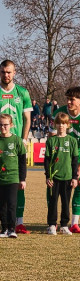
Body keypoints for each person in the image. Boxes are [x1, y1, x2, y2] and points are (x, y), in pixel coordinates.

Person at [0, 60, 32, 234]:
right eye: (3, 72)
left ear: (14, 73)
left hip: (17, 145)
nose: (6, 75)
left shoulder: (22, 92)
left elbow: (27, 119)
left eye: (9, 72)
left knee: (19, 184)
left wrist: (24, 139)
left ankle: (19, 223)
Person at [0, 113, 27, 238]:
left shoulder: (17, 140)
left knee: (11, 204)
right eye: (0, 125)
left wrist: (22, 179)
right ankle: (4, 229)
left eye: (6, 125)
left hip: (13, 178)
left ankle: (12, 229)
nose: (3, 127)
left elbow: (22, 162)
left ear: (11, 125)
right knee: (1, 205)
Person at [43, 111, 78, 235]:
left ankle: (64, 225)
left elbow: (75, 161)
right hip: (54, 178)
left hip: (67, 177)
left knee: (66, 202)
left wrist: (74, 177)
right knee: (53, 202)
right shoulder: (51, 141)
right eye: (58, 123)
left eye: (63, 123)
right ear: (55, 125)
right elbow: (47, 160)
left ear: (68, 125)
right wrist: (48, 176)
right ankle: (52, 225)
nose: (61, 126)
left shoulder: (72, 141)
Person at [60, 86, 80, 232]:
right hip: (62, 159)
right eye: (67, 99)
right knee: (55, 190)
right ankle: (53, 223)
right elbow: (52, 137)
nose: (68, 102)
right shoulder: (59, 113)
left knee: (78, 187)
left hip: (78, 158)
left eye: (72, 99)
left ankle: (74, 223)